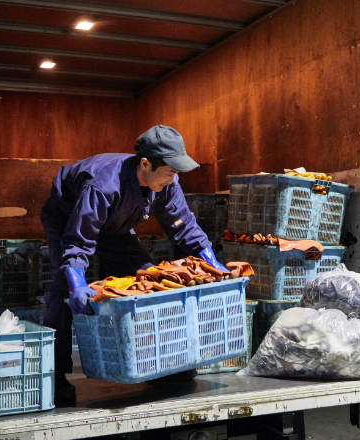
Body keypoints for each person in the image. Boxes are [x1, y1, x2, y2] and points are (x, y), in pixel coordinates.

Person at [40, 125, 227, 403]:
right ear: (145, 164)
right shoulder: (102, 185)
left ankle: (160, 365)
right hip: (69, 219)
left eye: (176, 172)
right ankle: (54, 374)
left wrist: (209, 258)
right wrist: (76, 281)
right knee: (61, 287)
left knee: (147, 279)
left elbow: (183, 224)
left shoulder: (166, 185)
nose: (173, 178)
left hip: (115, 225)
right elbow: (79, 240)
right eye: (170, 171)